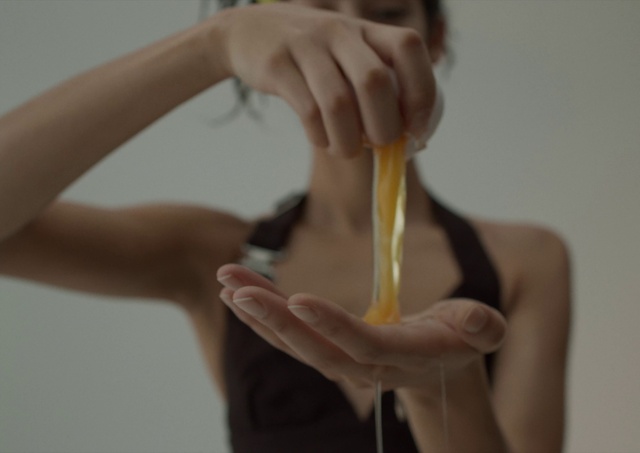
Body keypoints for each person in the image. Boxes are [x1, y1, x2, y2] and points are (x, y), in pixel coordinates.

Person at [0, 0, 571, 452]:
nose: (352, 37)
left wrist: (441, 390)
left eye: (388, 11)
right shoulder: (215, 255)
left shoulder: (525, 260)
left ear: (435, 37)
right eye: (318, 11)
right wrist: (215, 44)